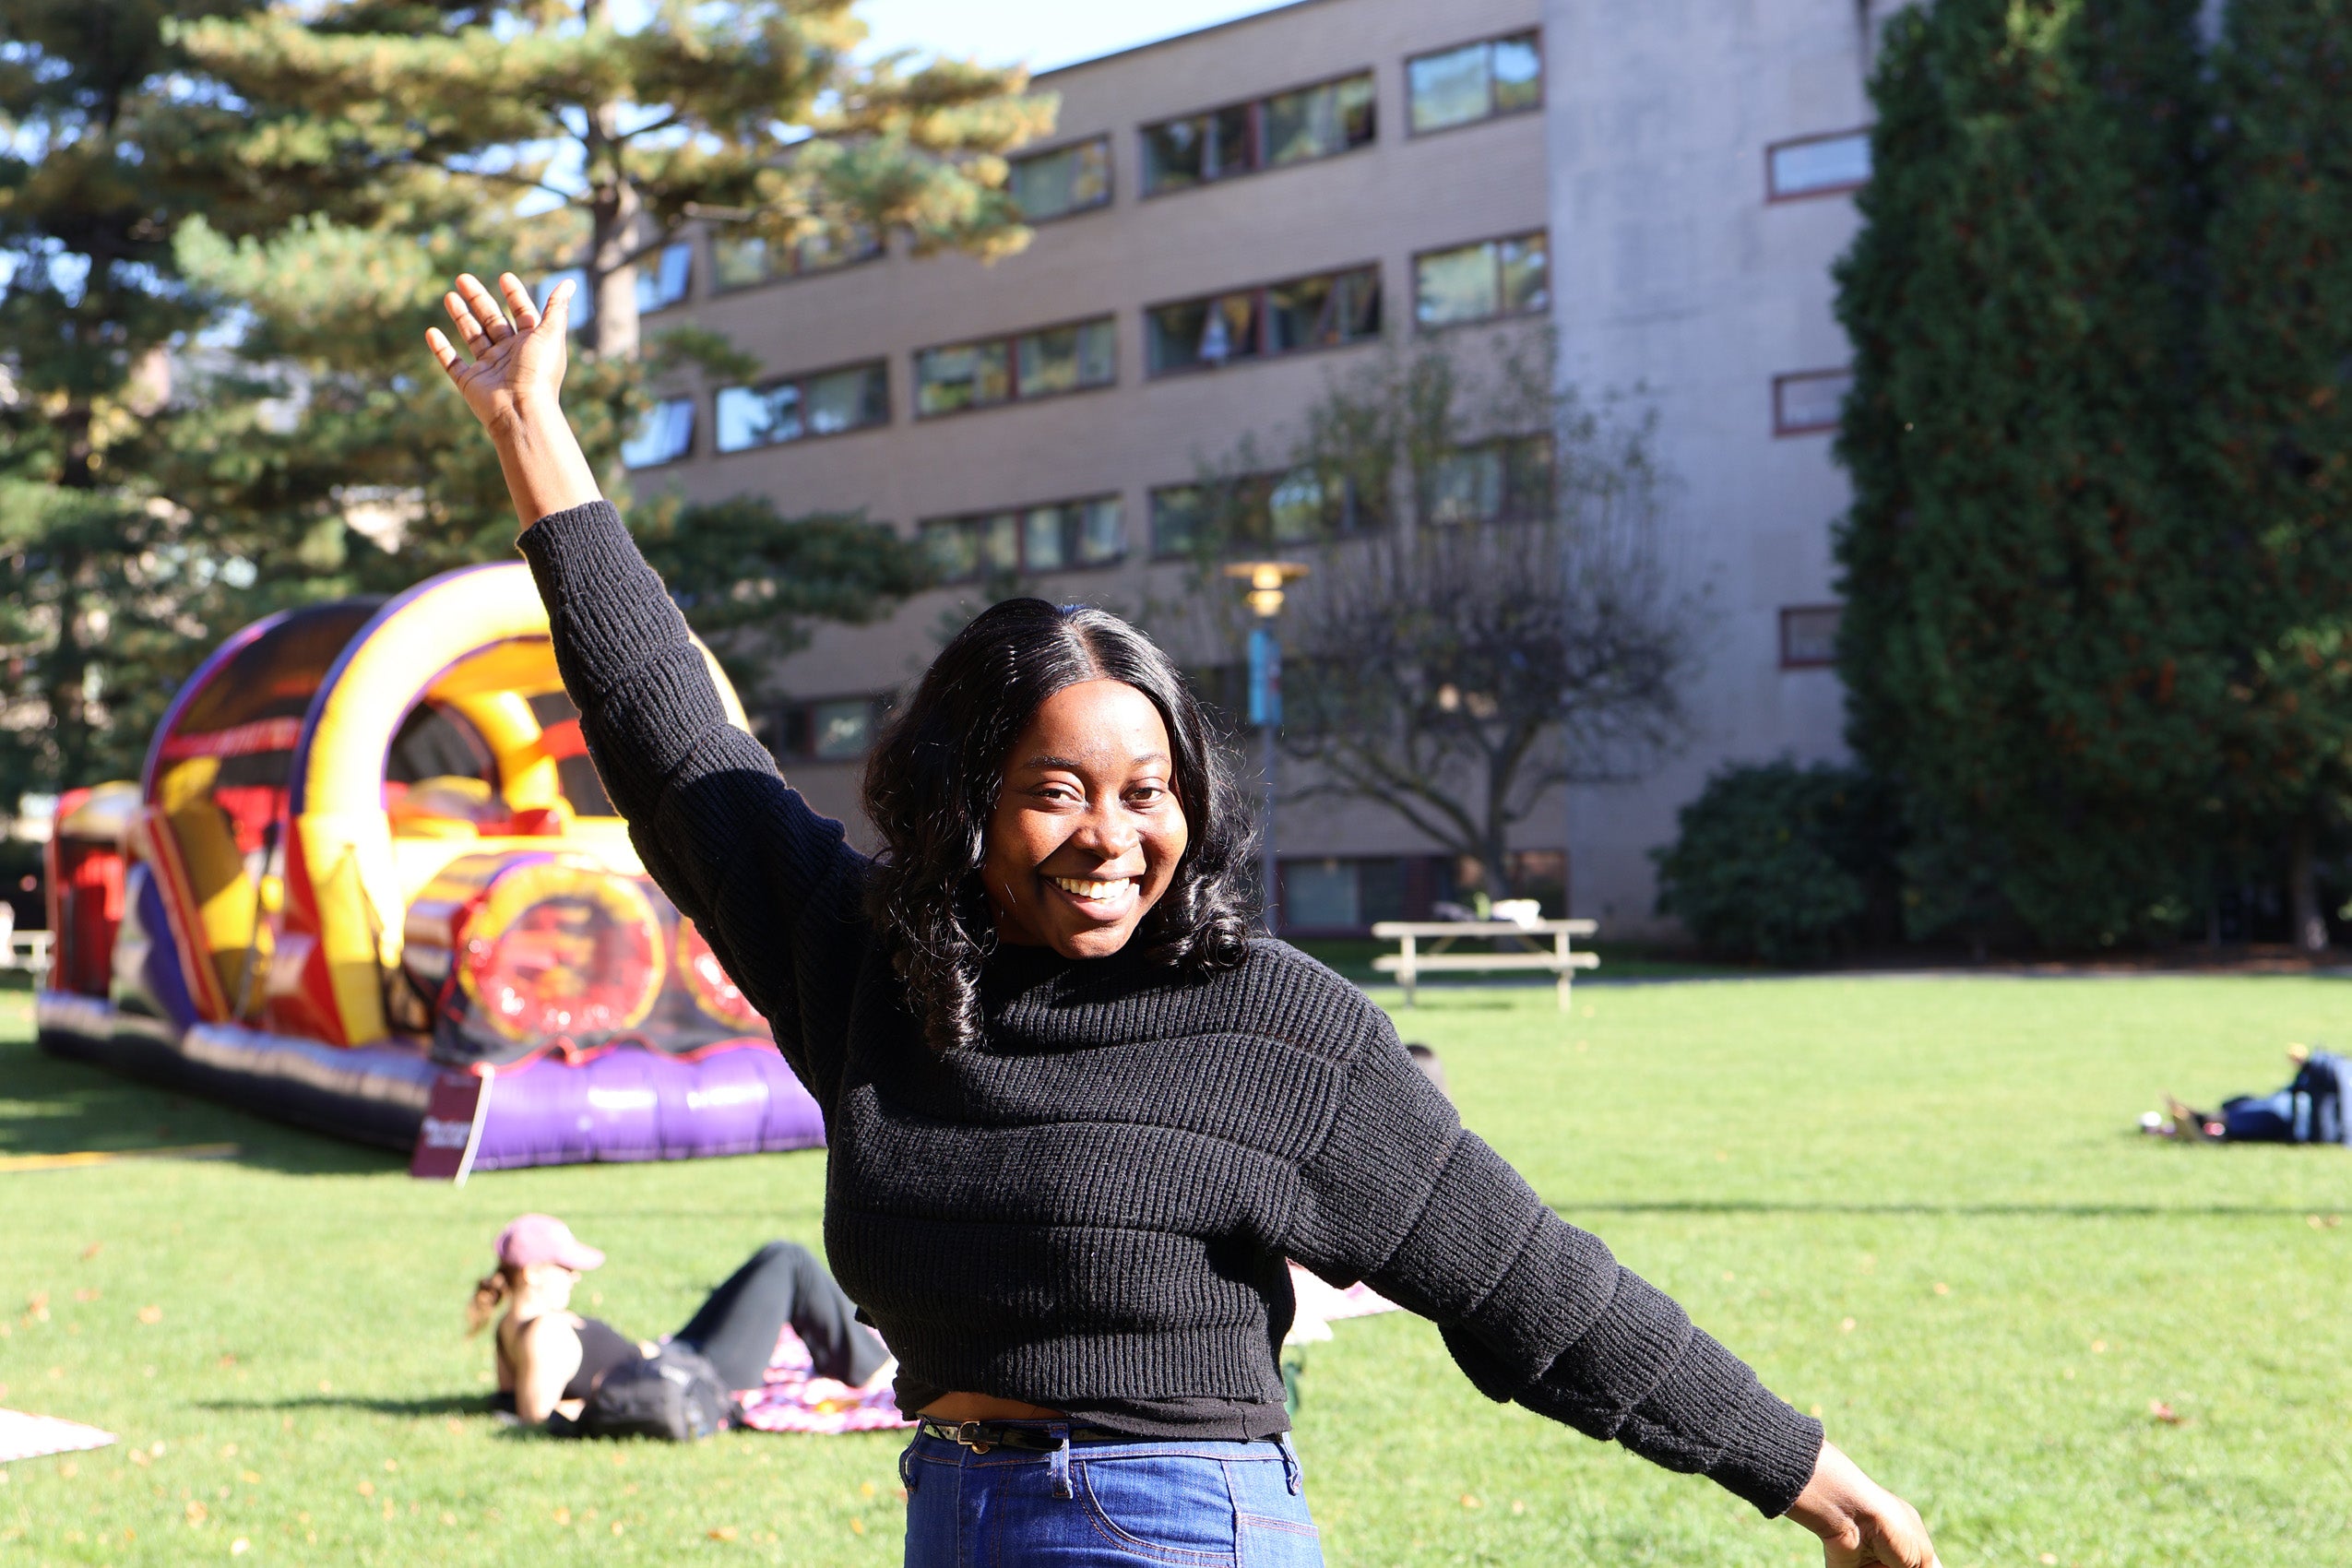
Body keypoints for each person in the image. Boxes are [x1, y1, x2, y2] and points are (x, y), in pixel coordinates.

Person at [426, 271, 1939, 1567]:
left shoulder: (1276, 1026)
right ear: (965, 798)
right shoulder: (870, 962)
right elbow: (676, 742)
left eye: (1148, 791)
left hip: (1173, 1522)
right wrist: (527, 429)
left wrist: (1794, 1468)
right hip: (952, 1511)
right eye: (1058, 789)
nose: (1113, 835)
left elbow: (1525, 1281)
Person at [469, 1213, 891, 1429]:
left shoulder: (512, 1326)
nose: (575, 1276)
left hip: (676, 1354)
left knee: (772, 1261)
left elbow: (508, 1399)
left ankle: (853, 1355)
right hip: (695, 1377)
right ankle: (870, 1368)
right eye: (565, 1267)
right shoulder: (541, 1334)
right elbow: (535, 1416)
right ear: (531, 1273)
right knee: (787, 1260)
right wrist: (587, 1404)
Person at [2146, 1044, 2351, 1145]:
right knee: (2256, 1103)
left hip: (2299, 1119)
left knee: (2273, 1111)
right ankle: (2200, 1122)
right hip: (2296, 1106)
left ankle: (2207, 1125)